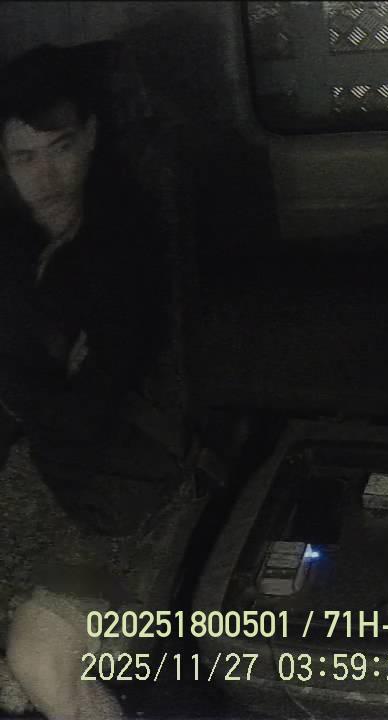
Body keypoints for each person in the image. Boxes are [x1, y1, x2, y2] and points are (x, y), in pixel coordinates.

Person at [0, 43, 181, 720]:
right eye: (24, 157)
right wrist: (44, 384)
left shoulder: (125, 247)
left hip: (127, 493)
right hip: (41, 477)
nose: (46, 176)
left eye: (62, 148)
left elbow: (96, 408)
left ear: (93, 137)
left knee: (38, 659)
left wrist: (28, 389)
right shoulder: (15, 252)